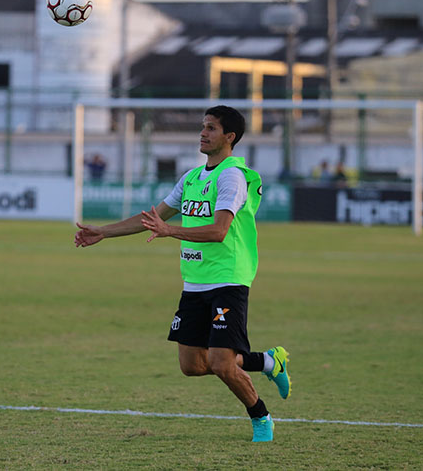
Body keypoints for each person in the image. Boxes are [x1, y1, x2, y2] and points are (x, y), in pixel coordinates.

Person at [74, 106, 290, 442]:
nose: (203, 133)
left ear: (229, 137)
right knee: (191, 364)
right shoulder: (191, 178)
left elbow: (219, 230)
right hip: (195, 282)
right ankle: (268, 362)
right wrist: (103, 232)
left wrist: (169, 231)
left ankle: (261, 418)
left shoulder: (232, 176)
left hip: (228, 278)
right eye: (203, 127)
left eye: (212, 128)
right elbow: (152, 217)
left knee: (221, 363)